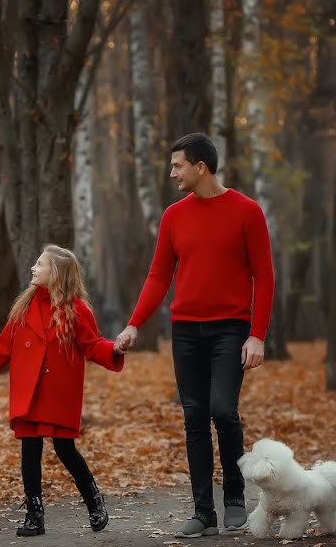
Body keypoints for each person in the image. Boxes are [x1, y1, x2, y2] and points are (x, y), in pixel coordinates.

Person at [114, 133, 275, 538]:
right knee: (193, 418)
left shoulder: (247, 211)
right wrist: (135, 322)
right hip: (185, 330)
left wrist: (257, 335)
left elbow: (265, 276)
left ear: (200, 167)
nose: (172, 173)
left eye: (177, 166)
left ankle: (235, 499)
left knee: (222, 409)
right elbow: (158, 275)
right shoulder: (173, 216)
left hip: (230, 329)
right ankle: (203, 512)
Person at [0, 245, 124, 537]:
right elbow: (2, 350)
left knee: (65, 449)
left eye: (39, 264)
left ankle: (94, 501)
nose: (33, 269)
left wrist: (114, 349)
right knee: (30, 450)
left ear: (57, 274)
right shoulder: (23, 308)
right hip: (29, 391)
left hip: (58, 392)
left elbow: (91, 344)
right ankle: (34, 515)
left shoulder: (77, 310)